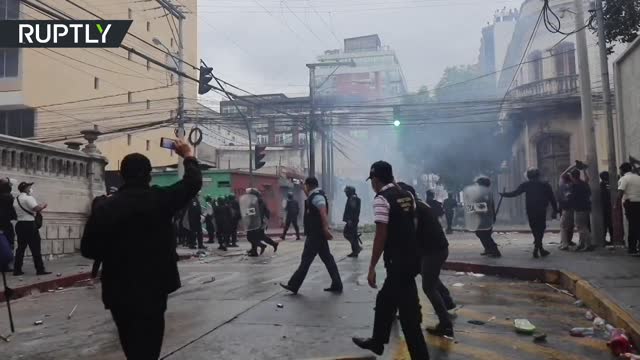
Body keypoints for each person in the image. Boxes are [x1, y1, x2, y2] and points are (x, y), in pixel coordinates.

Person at [80, 139, 202, 360]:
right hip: (154, 287)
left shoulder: (104, 207)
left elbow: (88, 249)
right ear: (149, 175)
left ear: (122, 176)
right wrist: (188, 155)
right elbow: (192, 183)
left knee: (131, 345)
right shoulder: (160, 199)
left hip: (119, 289)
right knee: (149, 344)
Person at [352, 161, 429, 359]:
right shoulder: (407, 195)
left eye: (372, 181)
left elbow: (381, 235)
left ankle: (416, 355)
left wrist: (371, 267)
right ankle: (377, 341)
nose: (372, 185)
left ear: (375, 180)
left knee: (408, 318)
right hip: (412, 259)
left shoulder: (381, 199)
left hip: (398, 262)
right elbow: (414, 225)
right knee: (386, 300)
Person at [399, 182, 455, 338]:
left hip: (433, 251)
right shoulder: (419, 204)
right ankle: (448, 302)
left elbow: (412, 230)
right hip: (431, 249)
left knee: (428, 287)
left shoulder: (415, 208)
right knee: (428, 276)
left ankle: (445, 324)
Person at [280, 177, 342, 294]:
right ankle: (337, 283)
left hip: (315, 235)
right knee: (328, 259)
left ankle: (294, 285)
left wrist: (325, 228)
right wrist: (303, 185)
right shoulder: (314, 194)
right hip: (317, 234)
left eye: (306, 186)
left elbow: (323, 212)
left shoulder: (317, 197)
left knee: (306, 260)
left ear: (309, 185)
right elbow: (308, 193)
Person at [501, 168, 558, 258]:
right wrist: (555, 210)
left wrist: (504, 195)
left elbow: (515, 193)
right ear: (538, 175)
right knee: (541, 228)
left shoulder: (526, 185)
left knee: (535, 228)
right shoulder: (545, 185)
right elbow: (552, 199)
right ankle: (539, 248)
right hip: (541, 210)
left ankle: (538, 248)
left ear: (528, 176)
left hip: (531, 210)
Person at [13, 182, 50, 276]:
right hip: (29, 224)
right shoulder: (28, 198)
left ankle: (17, 270)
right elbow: (36, 208)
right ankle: (40, 269)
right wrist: (43, 206)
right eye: (29, 187)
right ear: (25, 188)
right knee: (35, 248)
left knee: (20, 248)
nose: (30, 188)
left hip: (20, 224)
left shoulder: (16, 199)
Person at [473, 177, 501, 258]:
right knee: (482, 234)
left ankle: (494, 250)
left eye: (478, 184)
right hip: (486, 217)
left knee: (484, 234)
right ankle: (489, 249)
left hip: (485, 217)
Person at [246, 189, 278, 256]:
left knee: (250, 237)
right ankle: (273, 244)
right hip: (259, 222)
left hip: (256, 223)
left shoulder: (256, 202)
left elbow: (256, 213)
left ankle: (261, 246)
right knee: (260, 236)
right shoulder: (259, 201)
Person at [617, 162, 640, 255]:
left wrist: (616, 204)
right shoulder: (638, 177)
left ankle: (632, 248)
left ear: (622, 170)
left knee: (632, 226)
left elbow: (620, 192)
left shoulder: (624, 178)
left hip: (631, 205)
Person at [569, 168, 594, 251]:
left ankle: (588, 245)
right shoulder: (583, 184)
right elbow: (587, 180)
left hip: (579, 208)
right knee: (583, 226)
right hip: (586, 207)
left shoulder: (575, 186)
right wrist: (584, 170)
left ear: (572, 177)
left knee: (581, 227)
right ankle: (581, 243)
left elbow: (572, 197)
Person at [0, 178, 16, 272]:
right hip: (5, 224)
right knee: (9, 244)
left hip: (4, 223)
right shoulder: (8, 197)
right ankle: (5, 266)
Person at [342, 186, 362, 257]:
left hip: (352, 220)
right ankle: (355, 250)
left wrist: (349, 220)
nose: (346, 193)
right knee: (352, 235)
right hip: (353, 220)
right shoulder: (352, 198)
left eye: (347, 192)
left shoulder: (353, 198)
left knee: (347, 234)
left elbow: (352, 210)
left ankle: (356, 248)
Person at [558, 173, 576, 250]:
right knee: (570, 226)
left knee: (563, 226)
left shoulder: (563, 186)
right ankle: (568, 241)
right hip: (574, 208)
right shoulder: (573, 185)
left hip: (566, 208)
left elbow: (561, 198)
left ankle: (565, 243)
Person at [600, 171, 614, 245]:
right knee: (611, 225)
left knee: (604, 225)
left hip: (604, 208)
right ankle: (612, 239)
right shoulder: (612, 184)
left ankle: (603, 240)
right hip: (611, 207)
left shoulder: (601, 185)